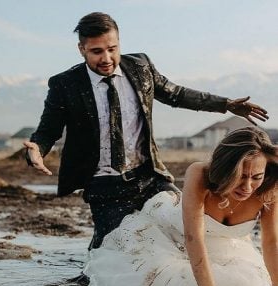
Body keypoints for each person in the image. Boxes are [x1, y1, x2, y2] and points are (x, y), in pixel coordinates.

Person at [24, 12, 269, 253]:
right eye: (97, 51)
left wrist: (225, 104)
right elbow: (48, 129)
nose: (107, 58)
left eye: (112, 48)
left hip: (150, 177)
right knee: (111, 250)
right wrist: (37, 149)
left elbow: (177, 94)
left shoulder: (140, 66)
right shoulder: (65, 84)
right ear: (82, 49)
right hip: (104, 185)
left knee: (189, 228)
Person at [78, 127, 277, 286]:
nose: (247, 187)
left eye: (256, 177)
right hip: (169, 234)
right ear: (225, 170)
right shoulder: (199, 173)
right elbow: (194, 237)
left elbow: (271, 242)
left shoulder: (270, 187)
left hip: (220, 246)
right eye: (240, 176)